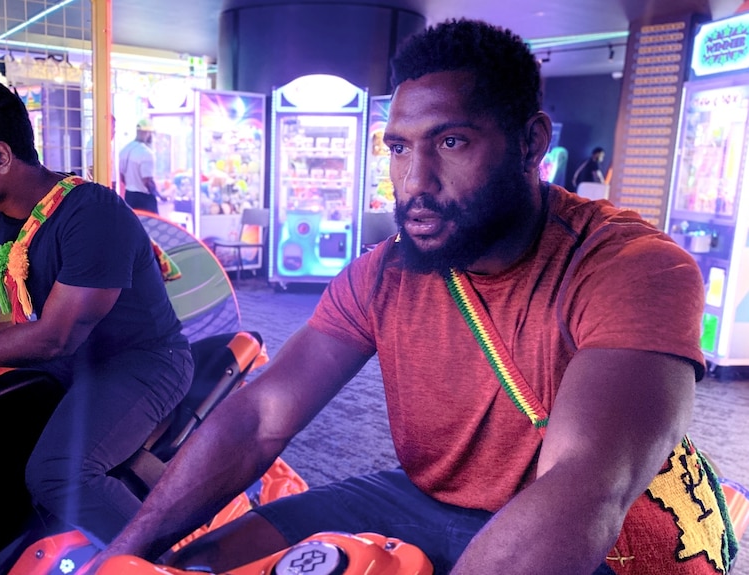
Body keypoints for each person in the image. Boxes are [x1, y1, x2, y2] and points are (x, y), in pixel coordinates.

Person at [92, 18, 735, 575]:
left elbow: (586, 486)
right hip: (429, 500)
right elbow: (261, 418)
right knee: (199, 564)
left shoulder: (632, 269)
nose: (415, 182)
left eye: (451, 143)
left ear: (533, 143)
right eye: (399, 148)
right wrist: (125, 553)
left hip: (607, 533)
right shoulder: (385, 274)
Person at [0, 80, 194, 550]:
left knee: (60, 475)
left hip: (142, 364)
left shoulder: (92, 213)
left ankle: (169, 561)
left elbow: (54, 338)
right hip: (64, 366)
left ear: (0, 156)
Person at [119, 118, 166, 213]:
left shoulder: (124, 150)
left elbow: (122, 176)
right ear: (148, 133)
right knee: (150, 226)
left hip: (129, 197)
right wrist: (159, 195)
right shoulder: (147, 153)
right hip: (144, 200)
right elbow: (147, 181)